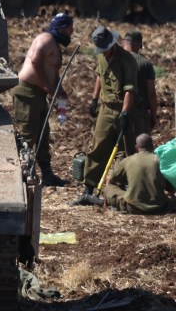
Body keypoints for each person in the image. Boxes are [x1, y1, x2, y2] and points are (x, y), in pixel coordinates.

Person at [72, 25, 139, 205]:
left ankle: (122, 194)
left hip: (121, 109)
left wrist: (125, 113)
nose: (104, 52)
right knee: (97, 147)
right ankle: (88, 189)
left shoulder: (127, 61)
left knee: (124, 152)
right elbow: (99, 77)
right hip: (105, 108)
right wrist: (94, 99)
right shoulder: (101, 56)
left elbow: (130, 91)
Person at [9, 12, 74, 187]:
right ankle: (21, 176)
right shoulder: (45, 39)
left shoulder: (55, 44)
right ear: (61, 27)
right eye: (69, 28)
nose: (71, 32)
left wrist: (59, 90)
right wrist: (47, 87)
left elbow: (52, 72)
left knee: (42, 135)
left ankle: (47, 174)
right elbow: (36, 62)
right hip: (27, 92)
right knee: (28, 135)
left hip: (39, 94)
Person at [100, 133, 176, 214]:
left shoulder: (127, 160)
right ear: (152, 147)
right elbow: (172, 190)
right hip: (159, 207)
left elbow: (110, 180)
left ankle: (109, 205)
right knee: (173, 199)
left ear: (136, 148)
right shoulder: (160, 161)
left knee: (109, 187)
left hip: (132, 207)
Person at [121, 30, 159, 135]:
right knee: (139, 145)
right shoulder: (145, 64)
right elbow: (151, 93)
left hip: (117, 111)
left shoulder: (116, 60)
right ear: (139, 45)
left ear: (124, 43)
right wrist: (153, 115)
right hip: (138, 114)